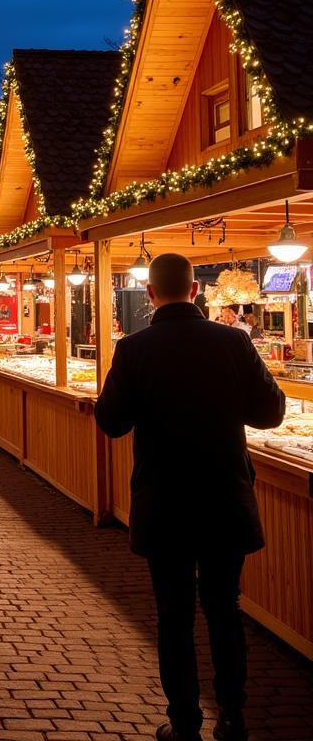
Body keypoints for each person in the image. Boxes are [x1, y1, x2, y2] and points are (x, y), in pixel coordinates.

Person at [95, 253, 285, 741]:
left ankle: (183, 721)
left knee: (173, 614)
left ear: (151, 295)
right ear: (195, 291)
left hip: (165, 500)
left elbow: (111, 421)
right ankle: (233, 714)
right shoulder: (233, 342)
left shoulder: (133, 349)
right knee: (225, 608)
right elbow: (270, 414)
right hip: (224, 495)